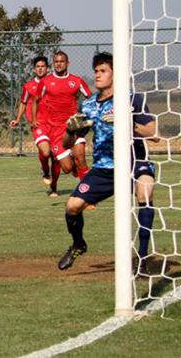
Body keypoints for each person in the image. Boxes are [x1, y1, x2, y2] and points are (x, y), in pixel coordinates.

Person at [57, 52, 158, 271]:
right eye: (96, 71)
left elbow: (153, 132)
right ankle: (78, 244)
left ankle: (141, 257)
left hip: (134, 162)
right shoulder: (89, 105)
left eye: (103, 71)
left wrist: (126, 122)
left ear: (115, 74)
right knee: (72, 206)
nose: (98, 75)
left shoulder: (131, 100)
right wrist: (69, 129)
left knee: (145, 191)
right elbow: (66, 144)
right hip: (104, 168)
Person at [33, 51, 91, 196]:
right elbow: (35, 100)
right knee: (67, 167)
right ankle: (72, 165)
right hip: (56, 131)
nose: (59, 64)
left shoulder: (76, 81)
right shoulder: (45, 82)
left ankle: (87, 196)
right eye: (56, 62)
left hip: (73, 127)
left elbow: (90, 97)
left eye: (62, 61)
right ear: (53, 64)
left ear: (67, 63)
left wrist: (86, 114)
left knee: (81, 159)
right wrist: (34, 119)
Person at [9, 56, 52, 187]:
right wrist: (18, 119)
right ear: (34, 69)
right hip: (37, 123)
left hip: (53, 122)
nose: (40, 69)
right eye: (38, 67)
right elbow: (23, 102)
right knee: (46, 151)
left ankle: (48, 170)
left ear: (47, 68)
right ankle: (45, 170)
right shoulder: (29, 86)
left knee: (54, 153)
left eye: (43, 66)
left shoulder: (52, 83)